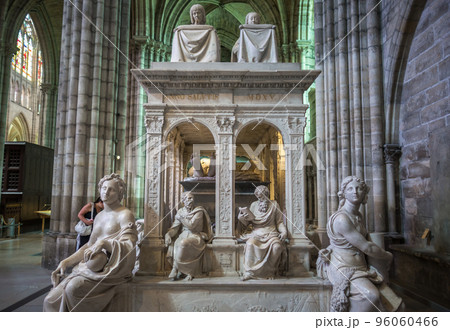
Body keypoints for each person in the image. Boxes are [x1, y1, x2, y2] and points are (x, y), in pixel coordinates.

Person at [43, 173, 137, 312]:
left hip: (109, 270)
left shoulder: (125, 214)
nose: (106, 192)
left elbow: (129, 246)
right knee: (50, 300)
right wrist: (66, 262)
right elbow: (88, 246)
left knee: (72, 289)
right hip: (88, 268)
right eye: (104, 188)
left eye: (111, 189)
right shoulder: (99, 216)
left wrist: (105, 244)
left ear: (119, 193)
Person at [317, 176, 403, 312]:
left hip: (361, 267)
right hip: (343, 267)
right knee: (371, 295)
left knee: (396, 304)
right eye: (350, 189)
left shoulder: (357, 216)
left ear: (364, 193)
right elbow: (367, 246)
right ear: (343, 193)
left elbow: (367, 242)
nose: (355, 192)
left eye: (358, 188)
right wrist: (387, 256)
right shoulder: (341, 219)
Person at [237, 185, 287, 280]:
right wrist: (241, 217)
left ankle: (270, 272)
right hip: (256, 233)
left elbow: (279, 222)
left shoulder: (274, 204)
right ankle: (249, 272)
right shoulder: (254, 205)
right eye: (258, 196)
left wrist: (284, 232)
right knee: (250, 244)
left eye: (261, 196)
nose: (259, 198)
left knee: (277, 247)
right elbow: (248, 222)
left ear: (266, 194)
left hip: (271, 233)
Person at [165, 192, 212, 281]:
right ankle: (184, 271)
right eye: (188, 198)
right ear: (183, 201)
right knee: (176, 243)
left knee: (183, 243)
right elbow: (175, 228)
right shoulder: (181, 211)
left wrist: (181, 218)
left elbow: (191, 226)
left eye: (192, 198)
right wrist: (168, 234)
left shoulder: (199, 211)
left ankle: (176, 268)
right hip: (183, 235)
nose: (191, 200)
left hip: (195, 236)